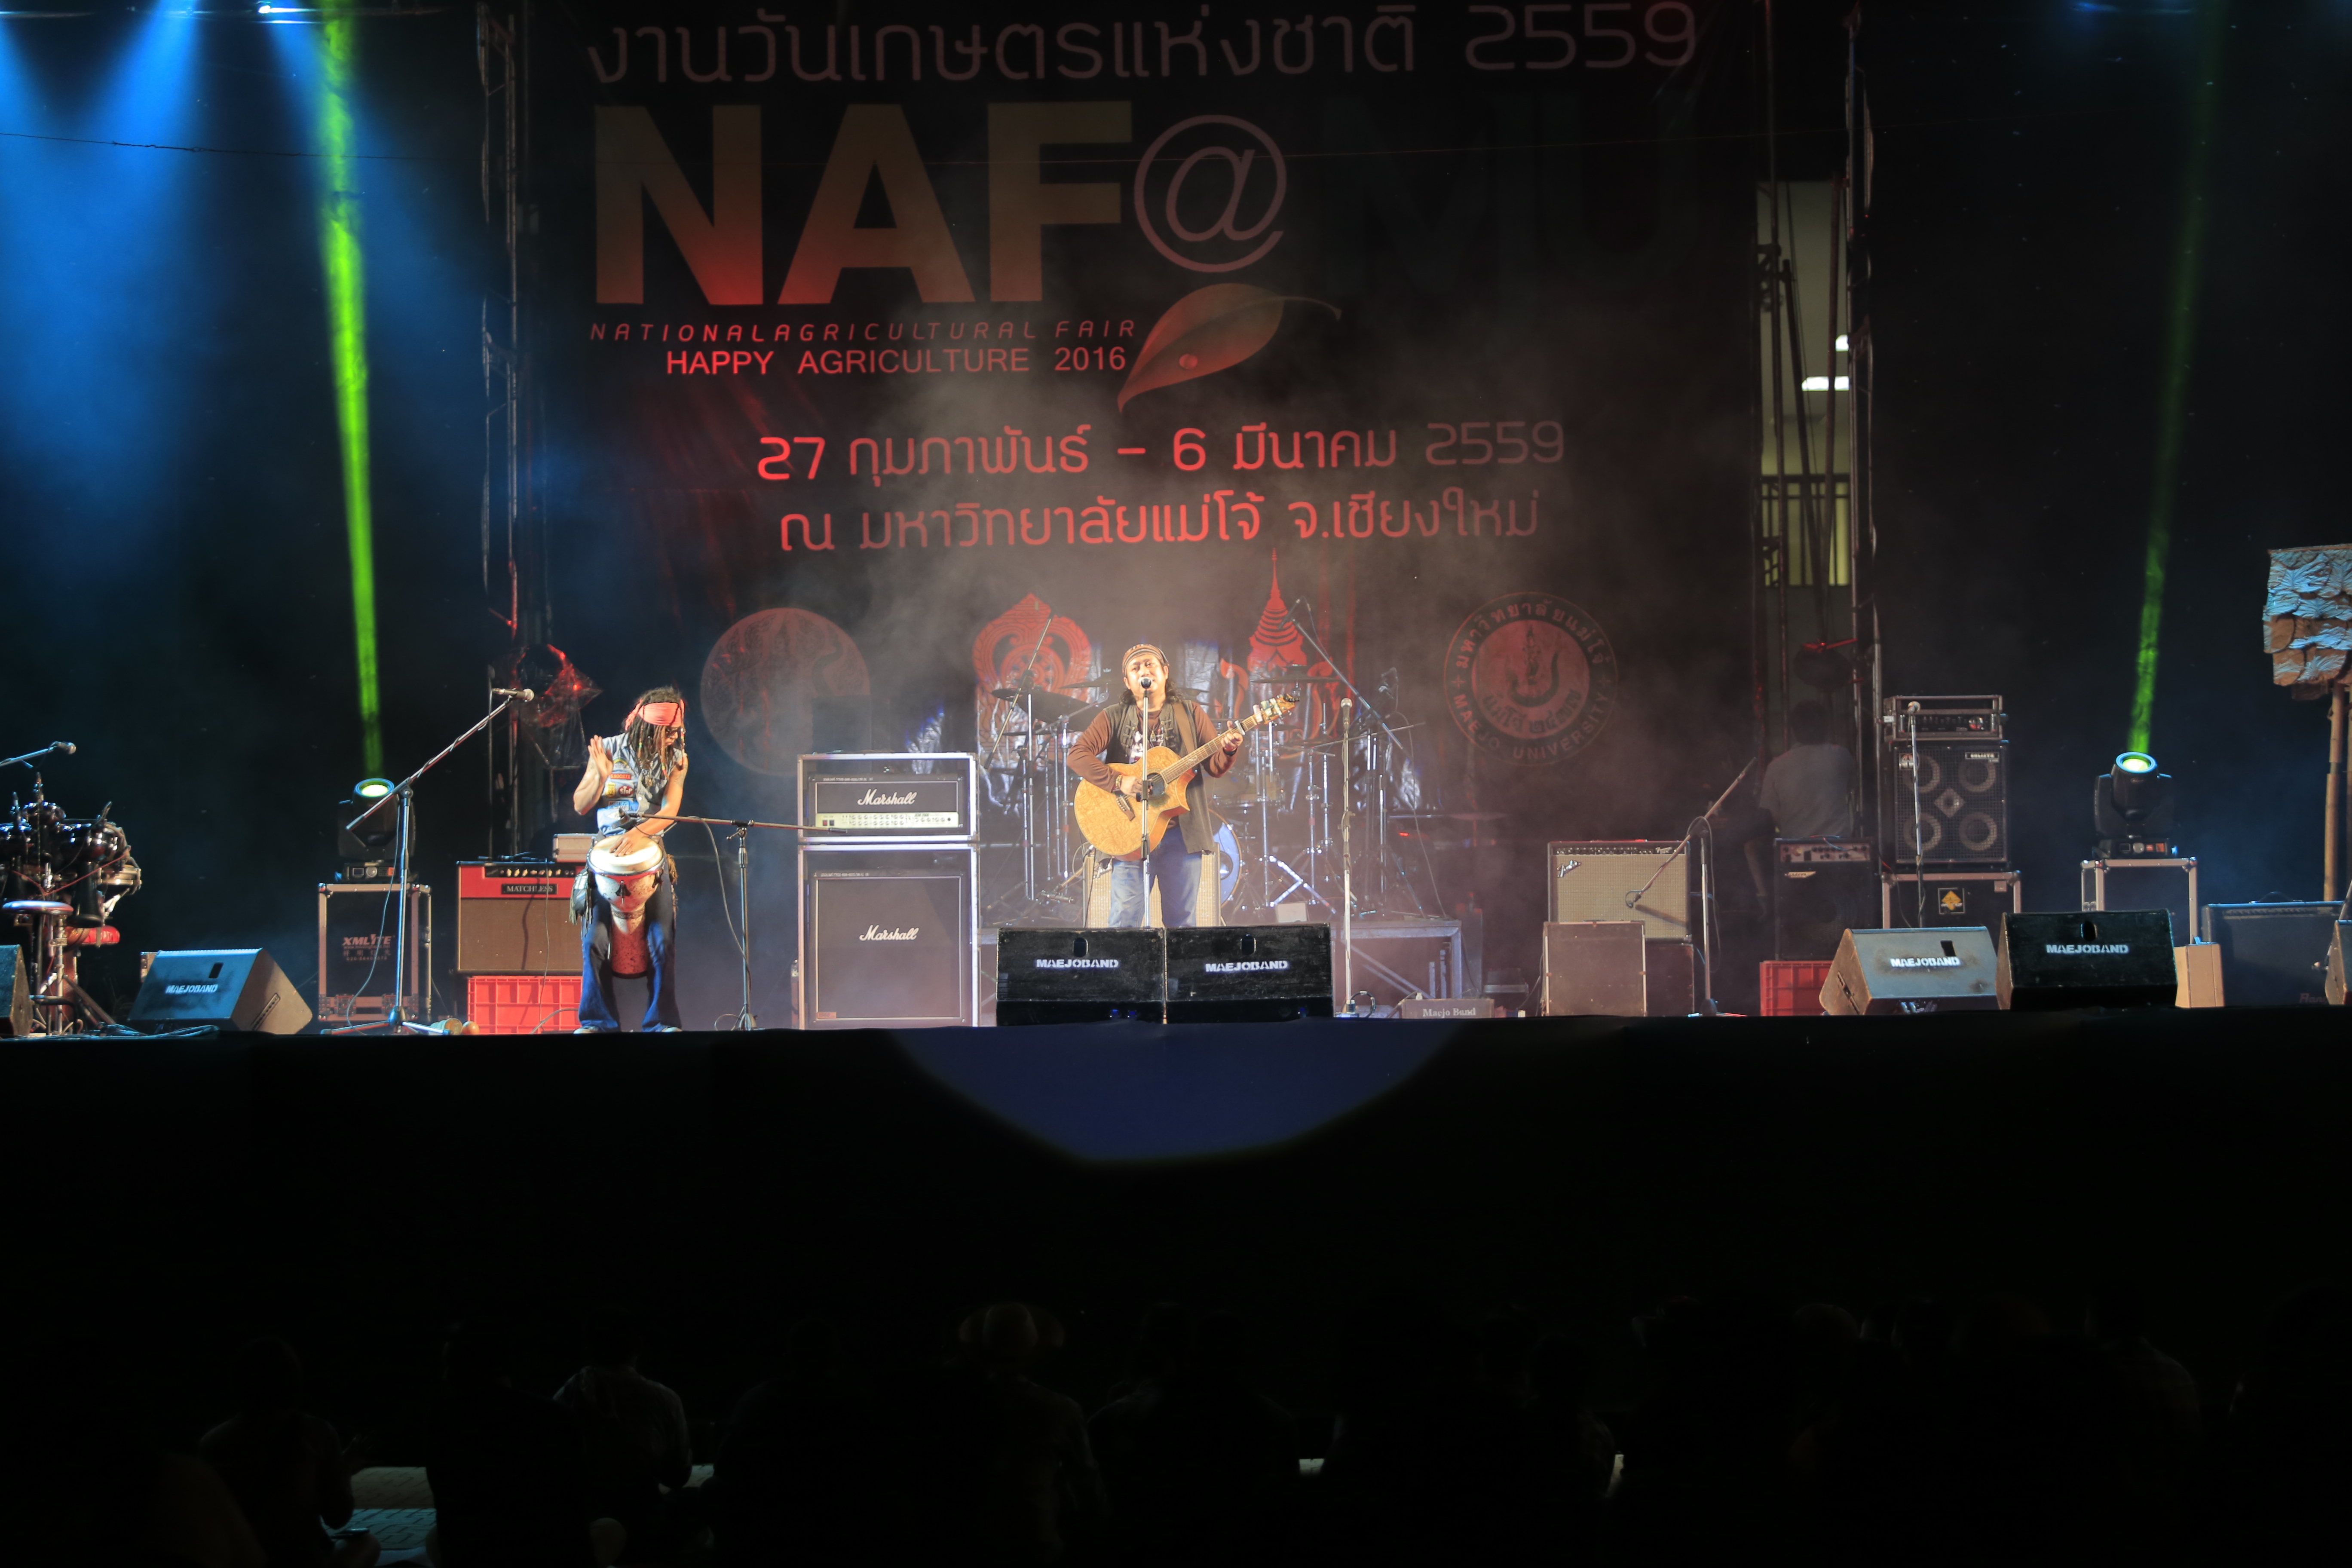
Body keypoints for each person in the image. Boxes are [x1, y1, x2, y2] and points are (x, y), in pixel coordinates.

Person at [1065, 645, 1243, 927]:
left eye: (1150, 664)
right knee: (1124, 922)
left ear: (1165, 672)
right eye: (1135, 668)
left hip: (1181, 835)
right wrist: (1118, 781)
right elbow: (1077, 755)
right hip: (1129, 831)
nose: (1144, 671)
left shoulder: (1190, 713)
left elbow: (1215, 767)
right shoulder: (1113, 716)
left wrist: (1229, 749)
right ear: (1127, 681)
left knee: (1181, 924)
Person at [199, 1337, 377, 1568]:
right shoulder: (315, 1432)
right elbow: (337, 1517)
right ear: (294, 1379)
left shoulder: (212, 1442)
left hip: (242, 1559)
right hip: (303, 1560)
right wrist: (345, 1467)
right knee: (366, 1543)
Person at [571, 687, 689, 1033]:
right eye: (667, 731)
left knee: (662, 941)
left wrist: (639, 834)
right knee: (595, 941)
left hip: (649, 858)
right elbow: (580, 805)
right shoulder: (608, 749)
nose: (674, 737)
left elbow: (670, 810)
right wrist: (600, 774)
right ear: (647, 727)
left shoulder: (677, 759)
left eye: (677, 730)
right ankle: (597, 1022)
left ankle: (662, 1022)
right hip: (606, 859)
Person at [551, 1307, 697, 1560]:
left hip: (586, 1522)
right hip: (645, 1524)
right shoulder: (665, 1399)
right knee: (701, 1498)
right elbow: (678, 1476)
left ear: (588, 1351)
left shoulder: (566, 1396)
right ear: (638, 1345)